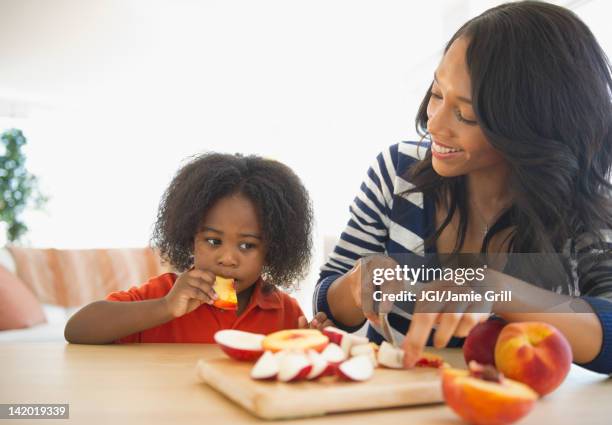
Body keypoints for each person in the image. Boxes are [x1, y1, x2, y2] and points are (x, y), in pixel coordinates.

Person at [314, 0, 612, 374]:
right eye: (437, 94)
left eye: (466, 114)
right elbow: (326, 310)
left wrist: (493, 288)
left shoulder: (585, 207)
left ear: (531, 127)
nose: (433, 123)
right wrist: (358, 283)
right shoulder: (397, 173)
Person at [65, 152, 331, 344]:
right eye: (213, 241)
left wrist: (308, 343)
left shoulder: (283, 311)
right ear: (191, 238)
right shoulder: (165, 294)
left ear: (273, 249)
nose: (227, 258)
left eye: (247, 245)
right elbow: (77, 329)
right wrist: (165, 307)